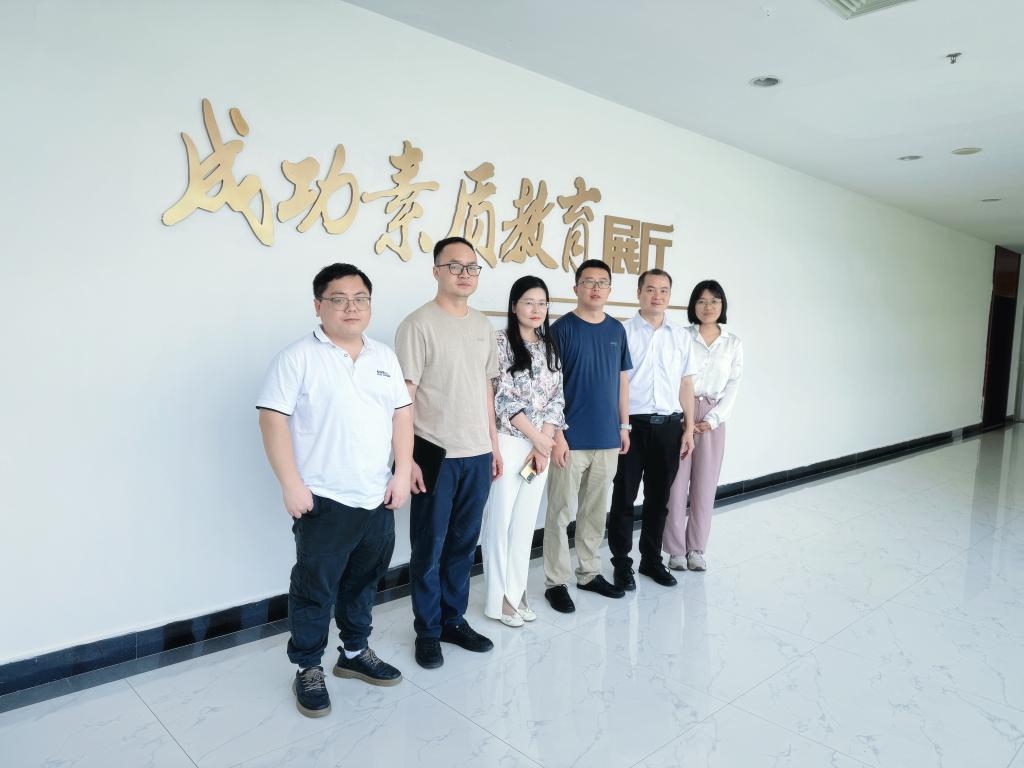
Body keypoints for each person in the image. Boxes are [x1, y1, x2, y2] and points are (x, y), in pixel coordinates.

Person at [256, 263, 412, 719]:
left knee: (363, 580)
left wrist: (402, 472)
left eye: (360, 298)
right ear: (318, 305)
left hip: (376, 496)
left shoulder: (383, 356)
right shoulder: (297, 358)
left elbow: (402, 415)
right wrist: (290, 484)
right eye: (338, 299)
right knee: (314, 588)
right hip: (323, 499)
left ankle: (354, 652)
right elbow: (271, 419)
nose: (351, 307)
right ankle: (307, 667)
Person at [395, 236, 502, 669]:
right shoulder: (417, 324)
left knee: (463, 543)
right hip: (434, 454)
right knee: (429, 547)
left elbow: (487, 391)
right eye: (454, 266)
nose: (464, 274)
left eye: (472, 267)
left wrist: (493, 446)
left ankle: (453, 620)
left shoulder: (483, 325)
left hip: (477, 453)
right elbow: (404, 399)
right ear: (436, 271)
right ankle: (427, 630)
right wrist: (407, 459)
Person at [543, 259, 632, 614]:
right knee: (560, 512)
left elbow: (622, 381)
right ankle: (556, 582)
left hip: (607, 438)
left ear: (609, 289)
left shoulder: (616, 330)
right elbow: (549, 387)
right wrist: (558, 435)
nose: (595, 288)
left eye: (602, 282)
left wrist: (624, 426)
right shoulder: (561, 329)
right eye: (589, 281)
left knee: (595, 512)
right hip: (570, 440)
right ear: (576, 287)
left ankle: (589, 572)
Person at [482, 276, 564, 627]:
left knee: (525, 523)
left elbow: (557, 397)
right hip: (510, 441)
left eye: (542, 303)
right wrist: (537, 438)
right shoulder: (499, 342)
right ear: (514, 305)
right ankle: (497, 599)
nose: (536, 309)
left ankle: (516, 592)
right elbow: (500, 396)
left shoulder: (549, 346)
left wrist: (544, 441)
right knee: (499, 522)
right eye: (529, 302)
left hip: (539, 447)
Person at [608, 269, 696, 591]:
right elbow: (616, 383)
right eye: (650, 289)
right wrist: (622, 425)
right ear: (639, 293)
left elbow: (686, 384)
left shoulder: (681, 336)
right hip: (632, 427)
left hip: (669, 427)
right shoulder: (623, 331)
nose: (656, 296)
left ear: (669, 295)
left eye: (663, 290)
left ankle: (651, 560)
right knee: (624, 497)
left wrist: (688, 428)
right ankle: (621, 563)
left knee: (660, 499)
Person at [664, 280, 744, 572]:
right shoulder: (681, 336)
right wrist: (684, 417)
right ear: (693, 305)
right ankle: (675, 550)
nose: (708, 306)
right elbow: (673, 376)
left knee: (705, 486)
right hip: (681, 410)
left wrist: (712, 420)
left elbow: (733, 386)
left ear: (722, 305)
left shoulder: (733, 343)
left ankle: (696, 549)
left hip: (712, 416)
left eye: (714, 301)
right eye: (701, 301)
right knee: (675, 485)